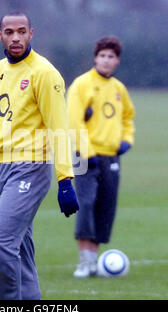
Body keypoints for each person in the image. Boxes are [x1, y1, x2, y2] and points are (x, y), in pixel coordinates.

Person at [0, 12, 79, 300]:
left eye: (22, 31)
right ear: (0, 35)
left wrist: (65, 179)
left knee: (0, 241)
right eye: (9, 32)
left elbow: (59, 127)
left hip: (30, 169)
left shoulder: (45, 73)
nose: (16, 37)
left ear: (32, 33)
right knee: (20, 248)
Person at [67, 36, 135, 278]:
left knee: (105, 206)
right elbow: (73, 120)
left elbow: (128, 117)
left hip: (111, 157)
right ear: (95, 58)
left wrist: (127, 140)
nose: (106, 60)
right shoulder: (81, 84)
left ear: (117, 61)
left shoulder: (119, 89)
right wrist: (87, 152)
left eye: (111, 56)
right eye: (102, 55)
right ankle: (84, 262)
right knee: (85, 204)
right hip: (84, 156)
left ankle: (94, 260)